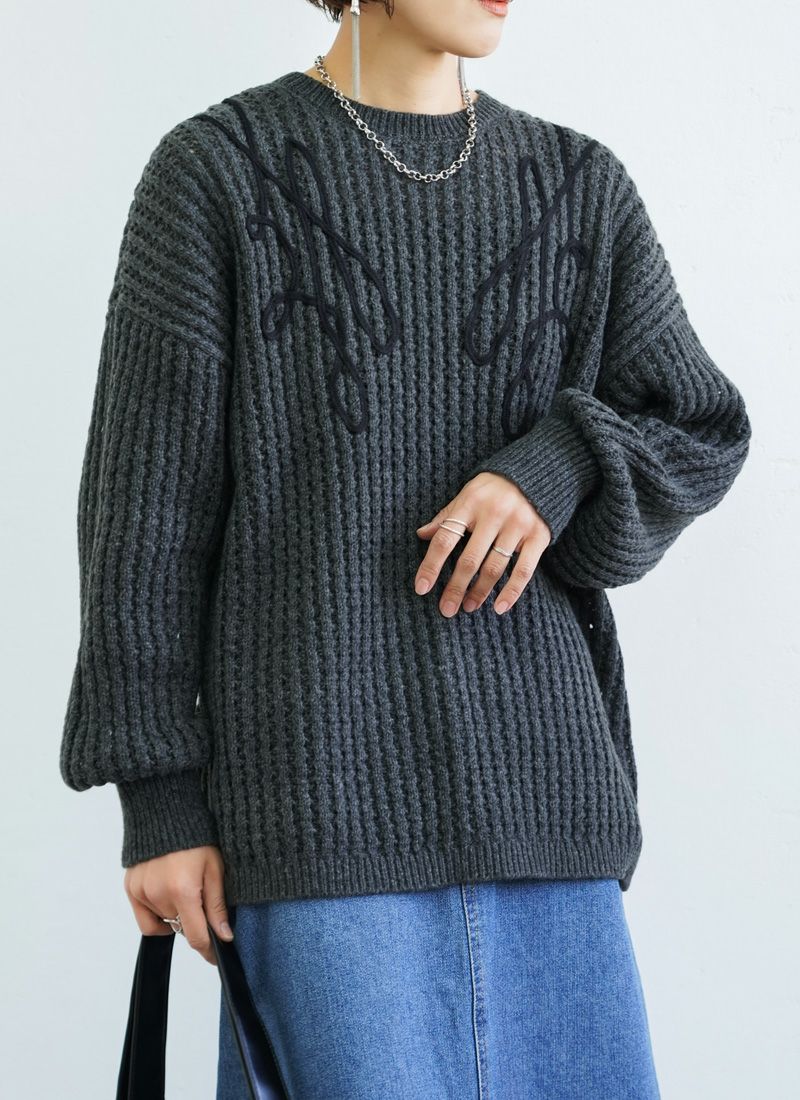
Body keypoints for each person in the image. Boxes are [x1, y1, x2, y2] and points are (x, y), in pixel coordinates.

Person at [59, 1, 752, 1096]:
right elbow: (143, 520)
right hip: (316, 822)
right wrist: (159, 800)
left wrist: (559, 463)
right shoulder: (216, 174)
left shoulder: (579, 186)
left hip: (549, 822)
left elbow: (701, 424)